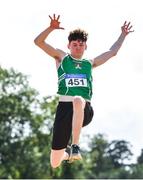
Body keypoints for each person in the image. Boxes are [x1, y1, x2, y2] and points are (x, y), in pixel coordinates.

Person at [34, 14, 134, 168]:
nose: (78, 47)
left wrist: (123, 35)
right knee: (54, 162)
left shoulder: (90, 63)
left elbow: (112, 52)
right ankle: (67, 155)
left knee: (77, 99)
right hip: (64, 111)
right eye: (74, 44)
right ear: (69, 46)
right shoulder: (62, 58)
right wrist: (51, 28)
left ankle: (75, 146)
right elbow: (38, 42)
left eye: (81, 45)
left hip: (84, 110)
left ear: (85, 46)